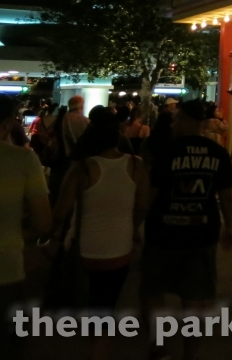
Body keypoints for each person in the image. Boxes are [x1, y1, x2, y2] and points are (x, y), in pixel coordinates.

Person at [141, 100, 232, 360]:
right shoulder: (217, 153)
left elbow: (151, 194)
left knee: (154, 292)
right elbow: (226, 196)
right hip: (202, 233)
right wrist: (230, 227)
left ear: (185, 121)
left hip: (162, 232)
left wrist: (140, 223)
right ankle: (190, 354)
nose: (173, 123)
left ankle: (159, 348)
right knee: (195, 298)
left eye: (176, 119)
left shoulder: (167, 152)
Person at [52, 108, 148, 360]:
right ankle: (99, 345)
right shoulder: (136, 166)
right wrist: (133, 227)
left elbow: (60, 213)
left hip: (83, 249)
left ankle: (95, 343)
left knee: (90, 300)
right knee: (106, 301)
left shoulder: (82, 169)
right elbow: (142, 206)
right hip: (119, 248)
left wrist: (47, 236)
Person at [0, 94, 51, 360]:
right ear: (7, 123)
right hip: (4, 272)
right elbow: (43, 223)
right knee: (2, 348)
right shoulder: (23, 161)